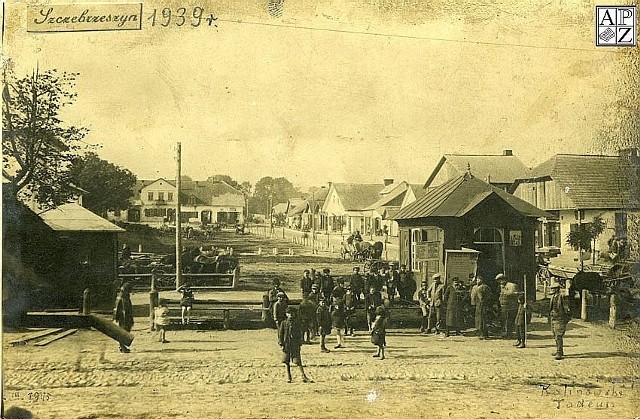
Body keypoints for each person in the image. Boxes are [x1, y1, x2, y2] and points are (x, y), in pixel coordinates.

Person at [278, 306, 311, 383]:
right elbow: (280, 334)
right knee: (286, 361)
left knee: (298, 361)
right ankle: (289, 376)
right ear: (286, 314)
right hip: (286, 344)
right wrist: (281, 343)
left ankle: (303, 376)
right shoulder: (283, 323)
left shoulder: (297, 323)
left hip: (295, 344)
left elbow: (300, 334)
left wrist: (300, 343)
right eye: (289, 313)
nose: (290, 315)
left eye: (292, 313)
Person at [549, 280, 571, 360]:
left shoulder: (562, 297)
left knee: (559, 335)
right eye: (552, 289)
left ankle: (559, 352)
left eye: (553, 289)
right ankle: (560, 350)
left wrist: (566, 319)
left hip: (560, 318)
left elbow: (567, 309)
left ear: (557, 289)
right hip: (554, 318)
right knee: (555, 335)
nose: (552, 290)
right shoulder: (552, 297)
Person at [113, 282, 134, 353]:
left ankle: (122, 345)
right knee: (123, 332)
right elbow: (117, 308)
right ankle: (122, 346)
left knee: (126, 330)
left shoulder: (126, 296)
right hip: (123, 317)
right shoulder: (121, 297)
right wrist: (116, 317)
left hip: (127, 316)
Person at [497, 273, 519, 339]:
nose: (500, 282)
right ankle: (506, 333)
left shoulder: (512, 285)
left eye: (500, 280)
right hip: (504, 306)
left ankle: (510, 334)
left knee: (510, 321)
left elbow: (514, 294)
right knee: (504, 320)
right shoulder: (501, 286)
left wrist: (505, 291)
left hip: (511, 306)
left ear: (504, 279)